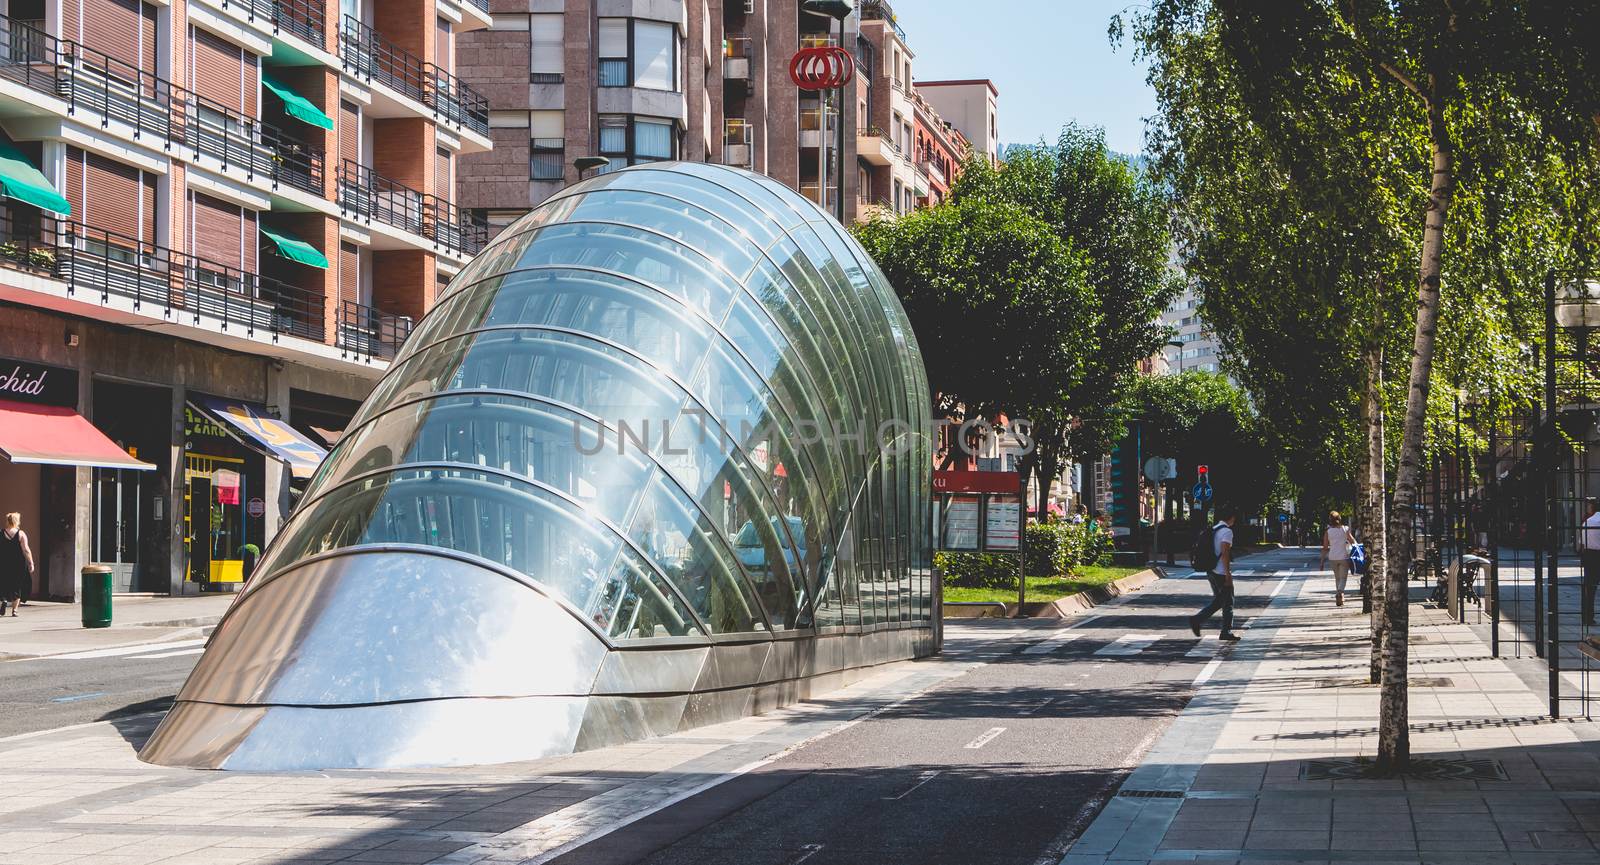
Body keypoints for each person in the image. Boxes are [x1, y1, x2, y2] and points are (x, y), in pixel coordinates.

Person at [1189, 504, 1241, 642]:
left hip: (1210, 570)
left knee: (1220, 601)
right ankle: (1220, 629)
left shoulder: (1214, 528)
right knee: (1228, 602)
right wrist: (1228, 574)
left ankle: (1201, 621)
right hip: (1220, 571)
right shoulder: (1227, 532)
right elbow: (1225, 553)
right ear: (1232, 518)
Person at [0, 512, 35, 618]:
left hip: (3, 562)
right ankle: (15, 610)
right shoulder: (21, 534)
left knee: (3, 583)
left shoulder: (1, 532)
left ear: (7, 521)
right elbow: (26, 550)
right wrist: (31, 563)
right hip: (18, 563)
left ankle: (4, 600)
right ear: (17, 521)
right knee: (17, 585)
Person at [1322, 511, 1355, 607]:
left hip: (1332, 557)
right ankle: (1340, 593)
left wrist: (1322, 562)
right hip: (1344, 557)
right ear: (1339, 519)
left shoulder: (1328, 531)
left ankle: (1340, 598)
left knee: (1337, 578)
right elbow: (1352, 541)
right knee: (1343, 578)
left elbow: (1325, 547)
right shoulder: (1345, 529)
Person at [1580, 498, 1600, 626]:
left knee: (1589, 588)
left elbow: (1581, 543)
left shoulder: (1586, 522)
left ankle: (1587, 617)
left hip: (1589, 555)